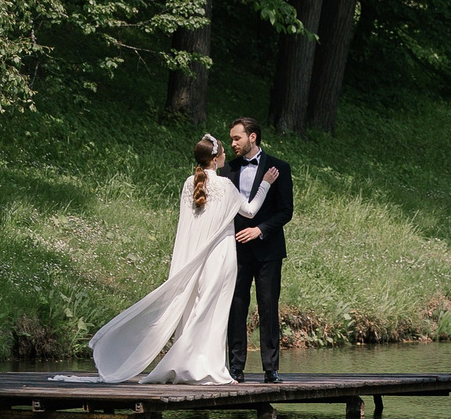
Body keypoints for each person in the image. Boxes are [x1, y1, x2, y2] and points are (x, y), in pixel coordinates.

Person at [80, 136, 260, 384]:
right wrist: (266, 184)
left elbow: (188, 226)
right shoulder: (226, 186)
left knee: (195, 306)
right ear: (216, 158)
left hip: (195, 255)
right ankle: (204, 365)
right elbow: (250, 210)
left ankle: (188, 363)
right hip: (220, 255)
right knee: (213, 309)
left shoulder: (190, 183)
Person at [220, 117, 292, 382]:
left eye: (237, 138)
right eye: (231, 139)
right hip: (236, 249)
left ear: (252, 137)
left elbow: (286, 211)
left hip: (268, 250)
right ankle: (235, 368)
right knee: (236, 306)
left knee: (268, 307)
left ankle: (270, 368)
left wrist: (259, 230)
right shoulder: (227, 169)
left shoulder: (279, 167)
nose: (233, 143)